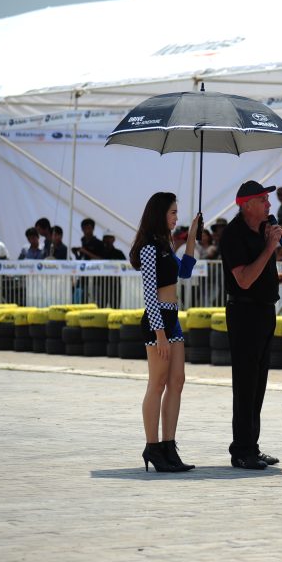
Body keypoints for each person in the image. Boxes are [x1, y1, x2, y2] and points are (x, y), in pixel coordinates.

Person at [219, 181, 282, 470]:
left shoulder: (263, 230)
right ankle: (241, 450)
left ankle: (252, 445)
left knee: (259, 382)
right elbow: (244, 280)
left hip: (264, 311)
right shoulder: (233, 234)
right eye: (263, 200)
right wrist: (270, 247)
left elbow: (261, 275)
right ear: (247, 204)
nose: (269, 204)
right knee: (245, 382)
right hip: (244, 313)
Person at [130, 192, 200, 473]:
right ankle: (152, 446)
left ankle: (169, 446)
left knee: (177, 381)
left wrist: (192, 235)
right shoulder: (149, 247)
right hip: (157, 320)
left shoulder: (166, 244)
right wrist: (160, 334)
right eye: (172, 212)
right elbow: (149, 293)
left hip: (173, 318)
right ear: (159, 214)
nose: (176, 217)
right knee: (157, 383)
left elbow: (185, 272)